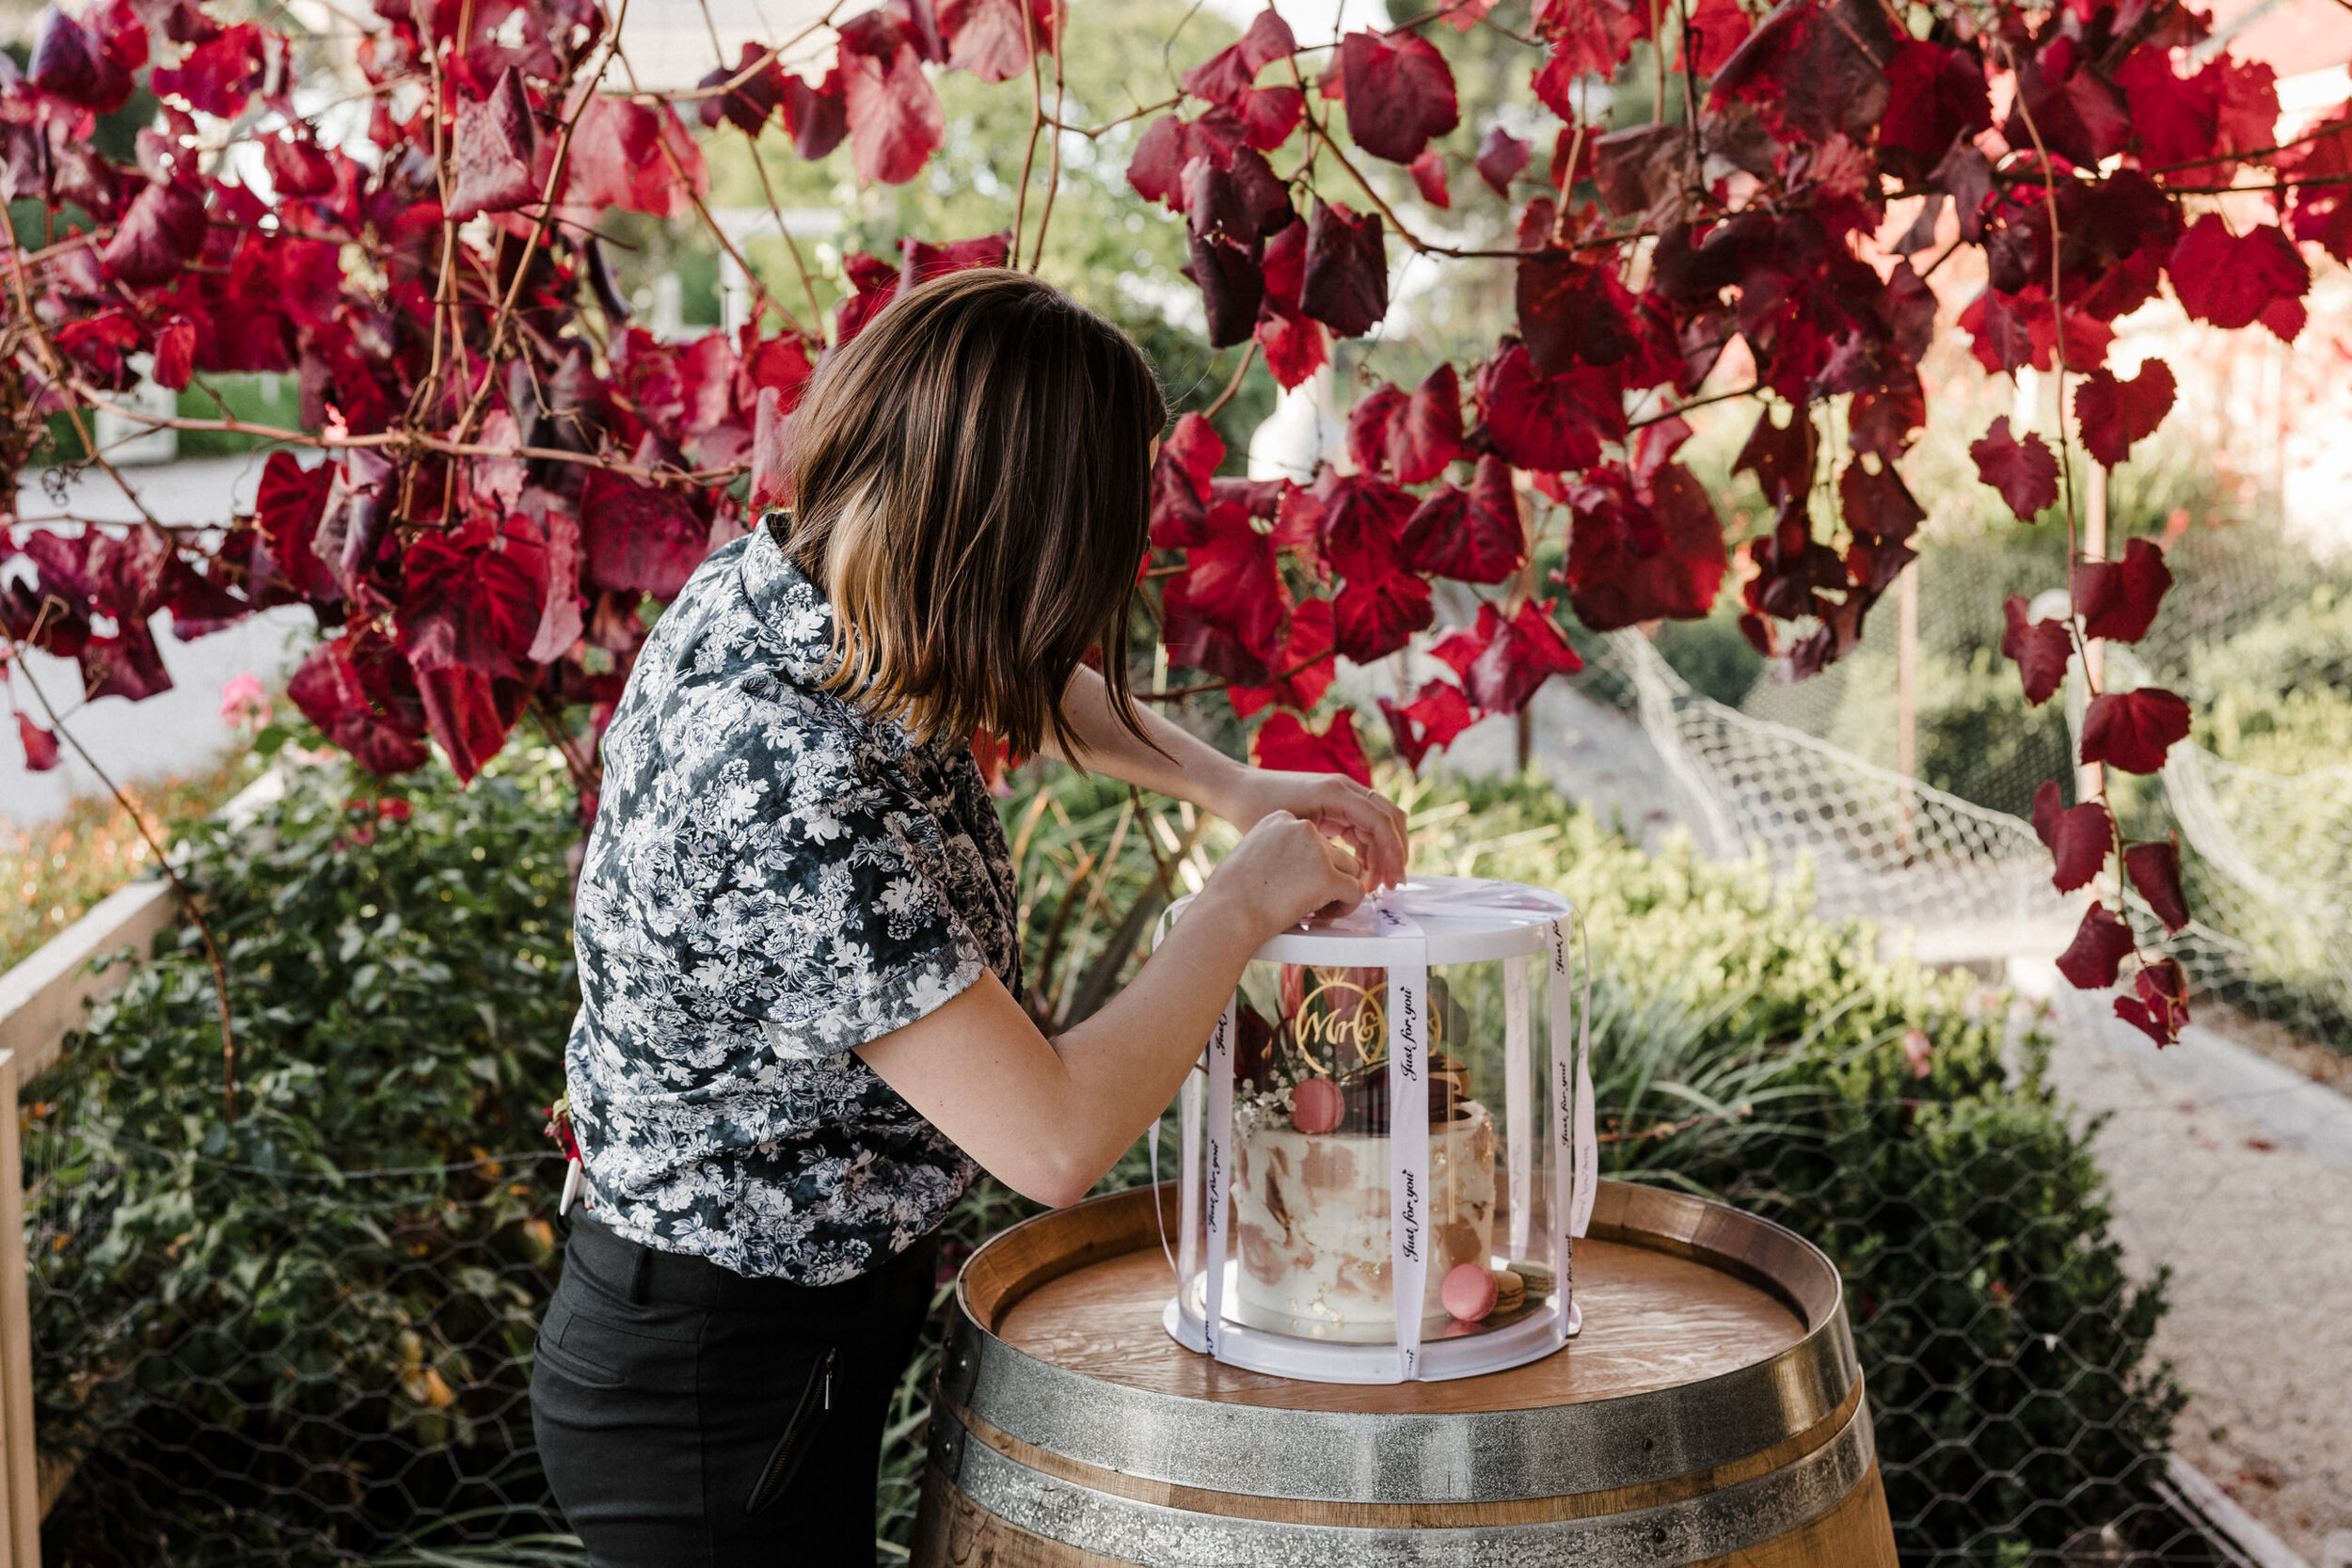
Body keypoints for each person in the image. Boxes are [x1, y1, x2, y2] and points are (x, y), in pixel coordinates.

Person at [530, 267, 1409, 1567]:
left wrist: (1223, 781)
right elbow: (1050, 1142)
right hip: (712, 1391)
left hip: (754, 1340)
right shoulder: (788, 785)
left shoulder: (792, 589)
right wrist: (1237, 908)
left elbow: (997, 656)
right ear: (1014, 542)